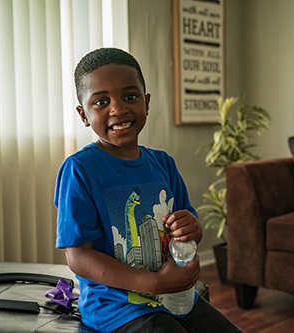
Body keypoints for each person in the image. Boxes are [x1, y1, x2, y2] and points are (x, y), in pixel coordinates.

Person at [54, 47, 243, 333]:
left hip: (177, 298)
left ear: (147, 102)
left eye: (130, 97)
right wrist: (156, 283)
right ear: (83, 114)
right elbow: (78, 256)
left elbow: (188, 226)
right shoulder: (79, 170)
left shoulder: (163, 163)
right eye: (102, 101)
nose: (117, 109)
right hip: (117, 309)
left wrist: (193, 227)